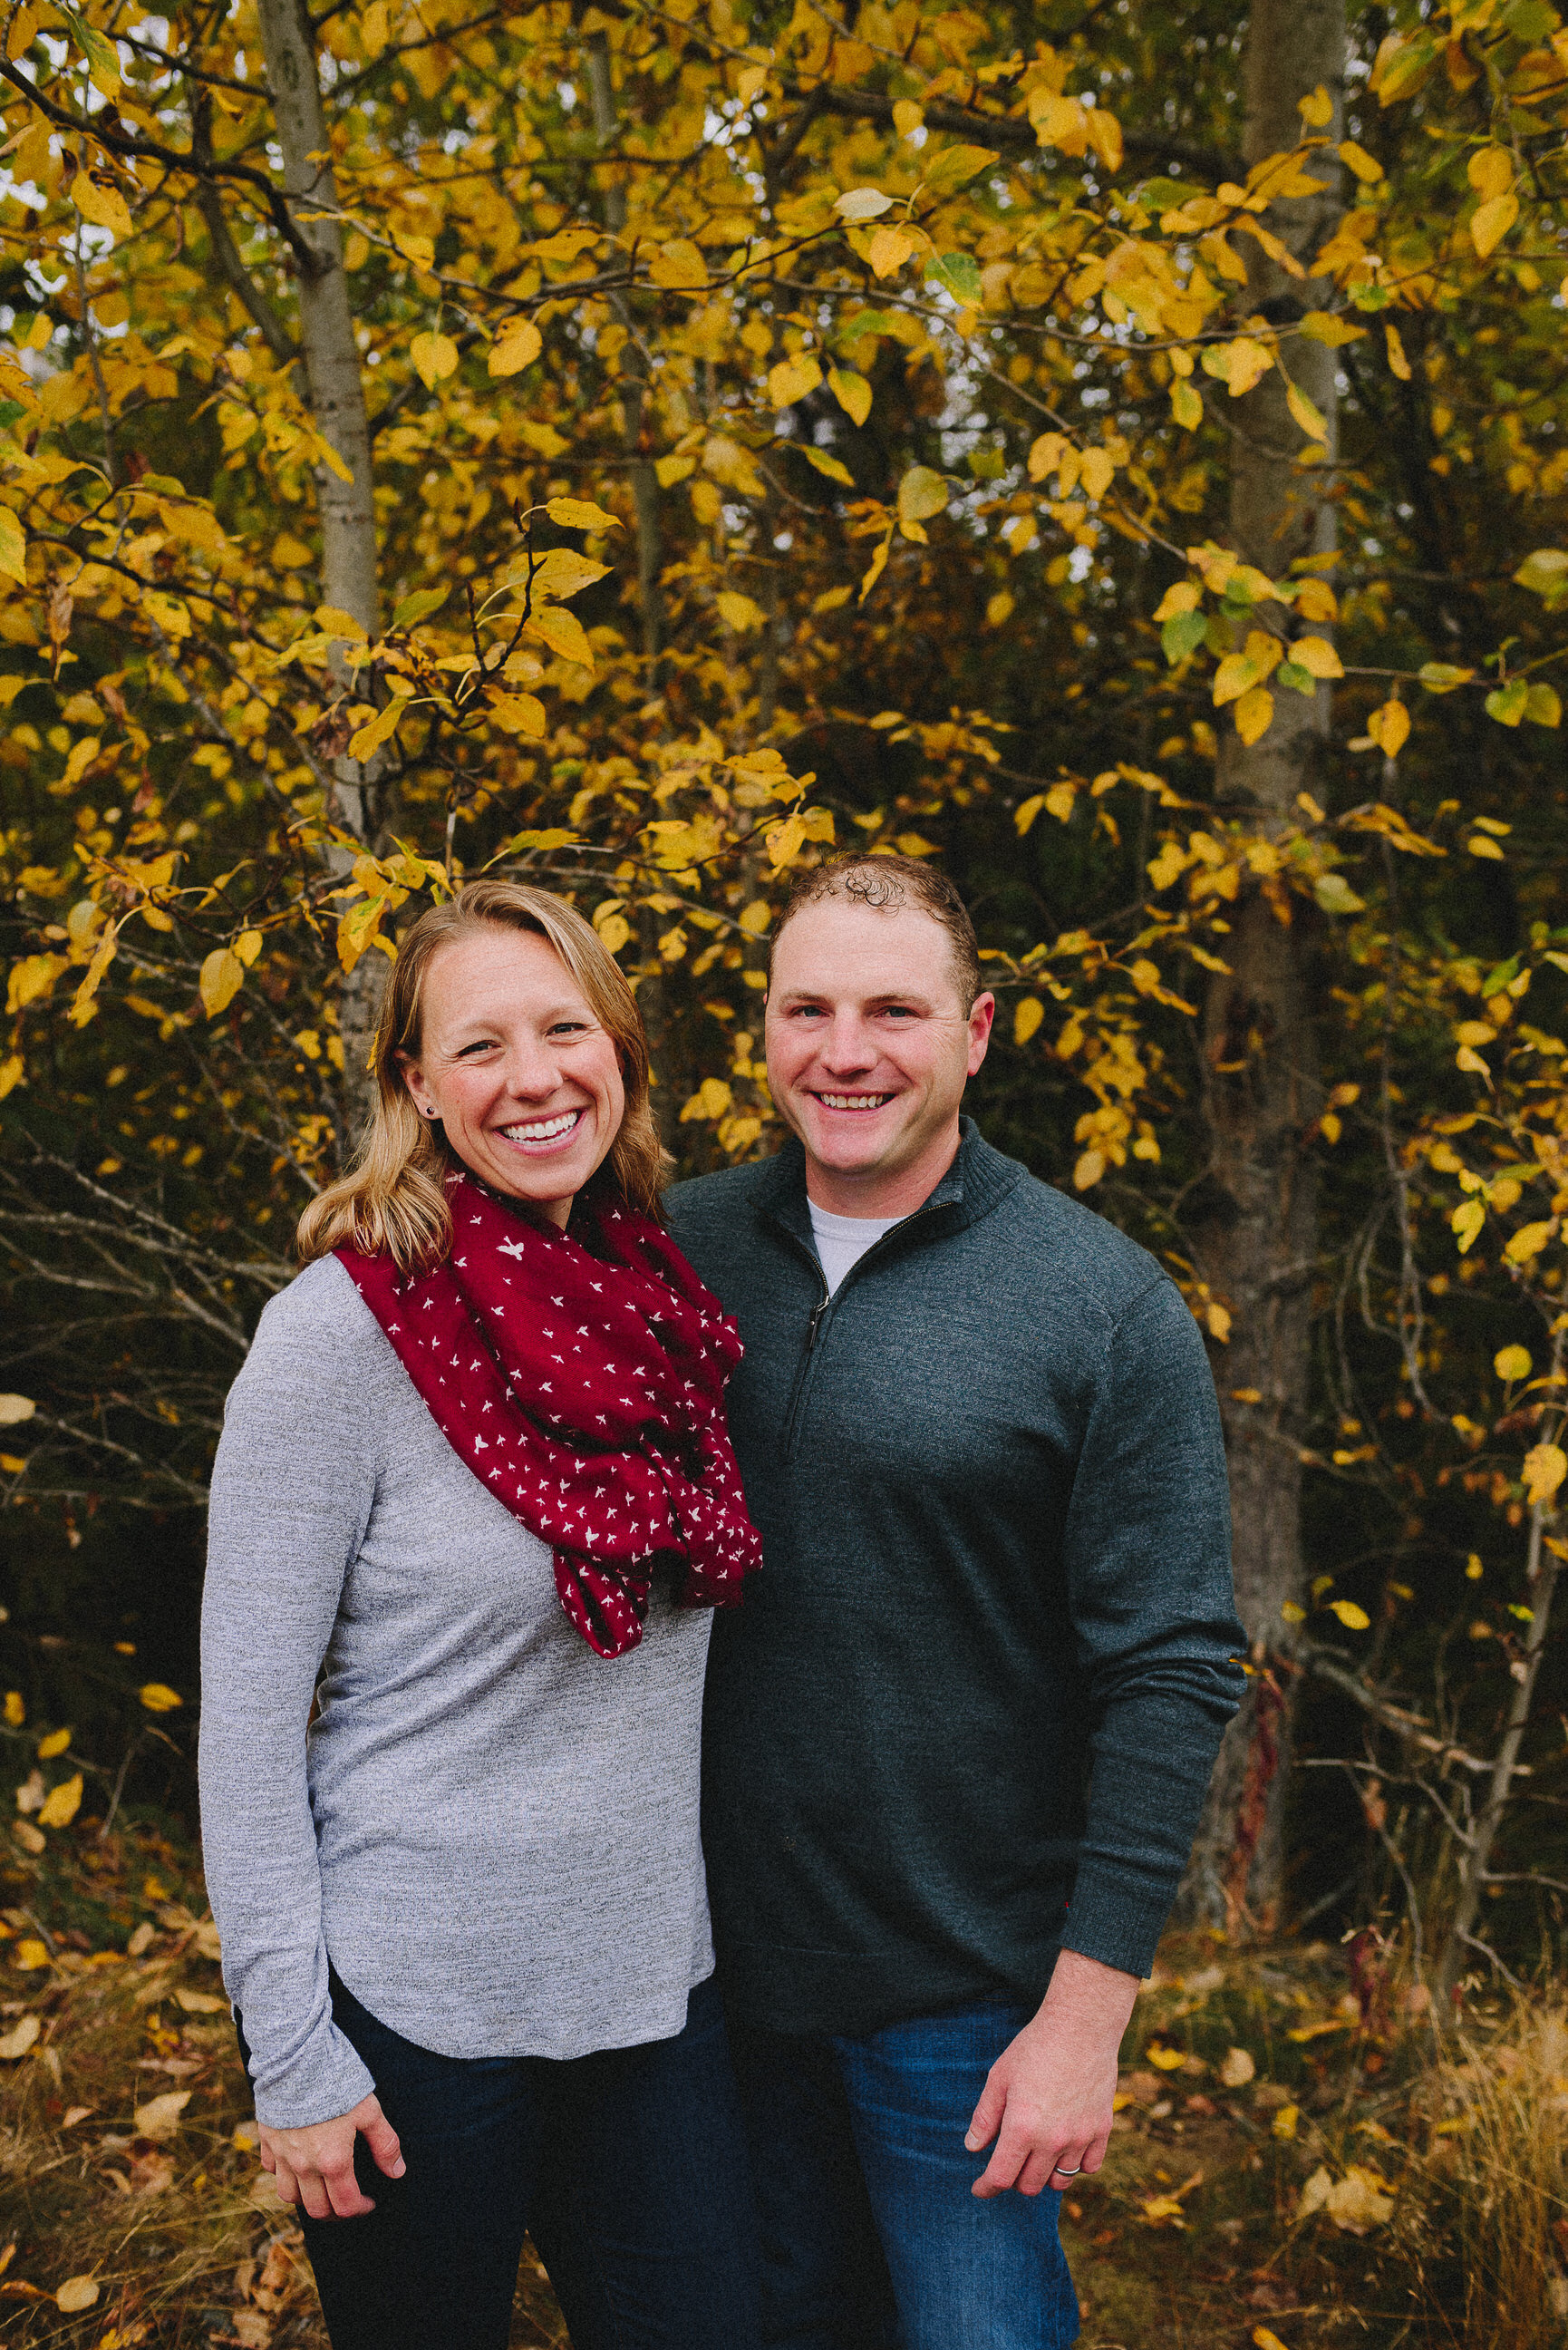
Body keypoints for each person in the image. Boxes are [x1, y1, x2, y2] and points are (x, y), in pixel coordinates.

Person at [665, 855, 1246, 2350]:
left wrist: (1083, 2018)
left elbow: (1172, 1669)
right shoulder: (672, 1247)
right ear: (765, 1027)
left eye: (891, 1011)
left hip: (961, 2003)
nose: (843, 1052)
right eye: (807, 1008)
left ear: (975, 1033)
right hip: (696, 1981)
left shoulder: (1100, 1308)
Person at [199, 879, 764, 2350]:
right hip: (415, 2018)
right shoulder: (339, 1335)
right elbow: (249, 1732)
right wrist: (293, 2057)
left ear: (621, 1052)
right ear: (417, 1088)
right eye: (480, 1046)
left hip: (653, 1994)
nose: (534, 1079)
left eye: (565, 1028)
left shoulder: (657, 1297)